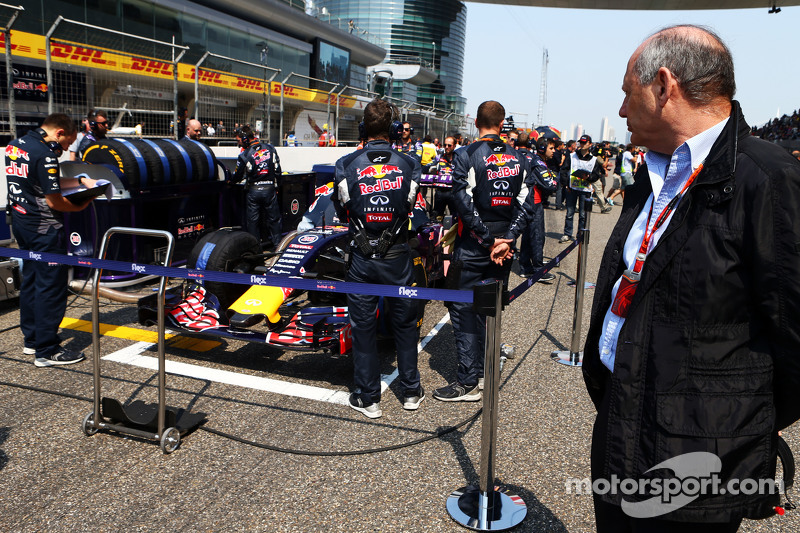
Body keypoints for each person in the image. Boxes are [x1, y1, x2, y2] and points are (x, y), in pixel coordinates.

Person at [582, 25, 800, 532]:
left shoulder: (765, 180)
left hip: (700, 460)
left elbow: (795, 337)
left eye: (625, 93)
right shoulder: (651, 175)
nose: (620, 111)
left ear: (663, 86)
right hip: (621, 424)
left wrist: (730, 424)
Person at [432, 101, 532, 401]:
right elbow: (527, 204)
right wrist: (508, 239)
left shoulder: (465, 154)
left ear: (477, 122)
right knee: (490, 309)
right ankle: (485, 370)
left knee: (463, 309)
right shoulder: (520, 156)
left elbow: (461, 202)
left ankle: (468, 381)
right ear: (502, 125)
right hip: (503, 247)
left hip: (476, 246)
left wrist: (488, 241)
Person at [333, 98, 423, 418]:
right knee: (405, 324)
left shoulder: (346, 164)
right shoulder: (411, 163)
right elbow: (410, 205)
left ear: (363, 128)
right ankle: (411, 391)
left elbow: (342, 207)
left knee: (363, 327)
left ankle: (368, 397)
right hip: (397, 255)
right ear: (394, 129)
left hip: (360, 257)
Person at [7, 113, 99, 366]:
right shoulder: (45, 153)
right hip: (44, 228)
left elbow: (43, 182)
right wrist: (81, 205)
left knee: (32, 281)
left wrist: (80, 180)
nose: (63, 150)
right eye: (65, 144)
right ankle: (47, 351)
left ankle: (32, 340)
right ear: (58, 132)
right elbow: (54, 200)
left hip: (21, 224)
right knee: (51, 287)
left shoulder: (17, 145)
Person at [230, 125, 283, 248]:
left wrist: (230, 182)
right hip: (270, 190)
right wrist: (277, 187)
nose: (239, 144)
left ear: (244, 139)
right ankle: (278, 247)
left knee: (253, 222)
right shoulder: (271, 149)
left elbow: (237, 175)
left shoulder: (244, 154)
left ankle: (255, 248)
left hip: (253, 192)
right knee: (274, 220)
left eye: (238, 141)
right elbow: (277, 170)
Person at [517, 135, 558, 282]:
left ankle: (525, 267)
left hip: (525, 201)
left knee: (528, 236)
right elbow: (550, 185)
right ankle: (538, 270)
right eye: (551, 148)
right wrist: (555, 178)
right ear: (542, 148)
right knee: (537, 236)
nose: (554, 151)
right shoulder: (537, 162)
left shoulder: (528, 158)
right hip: (534, 202)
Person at [558, 134, 607, 243]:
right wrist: (566, 184)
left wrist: (589, 177)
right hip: (572, 188)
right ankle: (567, 234)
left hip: (585, 190)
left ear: (590, 144)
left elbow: (597, 175)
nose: (582, 144)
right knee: (570, 212)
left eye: (585, 142)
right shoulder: (571, 156)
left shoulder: (594, 160)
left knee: (583, 214)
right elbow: (564, 170)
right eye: (581, 142)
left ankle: (580, 235)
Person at [430, 135, 456, 218]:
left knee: (455, 217)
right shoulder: (439, 157)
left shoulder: (459, 159)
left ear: (454, 146)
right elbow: (428, 166)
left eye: (449, 145)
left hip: (453, 191)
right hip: (440, 191)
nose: (447, 147)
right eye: (445, 145)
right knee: (437, 217)